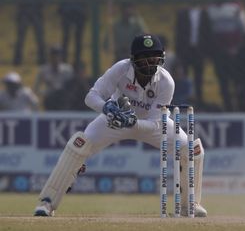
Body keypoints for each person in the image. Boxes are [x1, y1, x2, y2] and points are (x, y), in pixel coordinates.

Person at [34, 34, 207, 217]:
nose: (150, 63)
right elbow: (91, 97)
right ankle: (48, 202)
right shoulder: (121, 69)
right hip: (114, 119)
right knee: (79, 144)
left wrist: (132, 122)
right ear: (134, 59)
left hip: (148, 125)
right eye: (144, 59)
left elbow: (157, 122)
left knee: (191, 148)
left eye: (154, 58)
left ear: (161, 58)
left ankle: (190, 205)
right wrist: (106, 107)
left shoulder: (166, 81)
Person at [174, 0, 213, 106]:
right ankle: (184, 101)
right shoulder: (182, 14)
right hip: (186, 50)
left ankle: (199, 101)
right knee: (184, 76)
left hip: (199, 50)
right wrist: (179, 51)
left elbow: (208, 33)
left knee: (199, 77)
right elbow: (179, 33)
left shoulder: (204, 14)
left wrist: (207, 51)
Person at [57, 0, 90, 66]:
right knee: (66, 37)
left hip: (79, 12)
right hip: (67, 11)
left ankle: (77, 60)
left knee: (78, 39)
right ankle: (64, 59)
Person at [34, 46, 74, 110]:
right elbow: (36, 88)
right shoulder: (44, 70)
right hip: (50, 100)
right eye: (53, 55)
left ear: (61, 57)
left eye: (58, 55)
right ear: (50, 56)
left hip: (64, 100)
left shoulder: (67, 70)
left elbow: (72, 87)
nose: (55, 58)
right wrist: (46, 93)